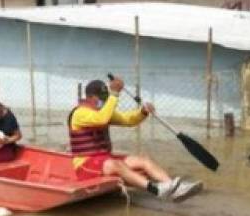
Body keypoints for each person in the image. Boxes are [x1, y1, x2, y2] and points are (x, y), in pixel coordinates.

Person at [70, 76, 202, 202]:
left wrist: (142, 112)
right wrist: (114, 94)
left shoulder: (103, 111)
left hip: (103, 160)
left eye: (106, 98)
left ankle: (173, 187)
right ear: (91, 98)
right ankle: (156, 190)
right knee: (115, 164)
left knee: (143, 160)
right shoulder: (80, 113)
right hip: (85, 166)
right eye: (102, 98)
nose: (105, 101)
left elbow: (128, 120)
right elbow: (101, 119)